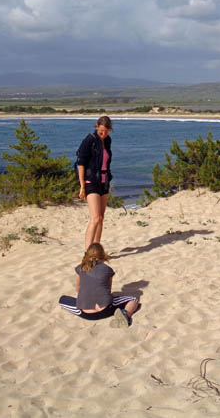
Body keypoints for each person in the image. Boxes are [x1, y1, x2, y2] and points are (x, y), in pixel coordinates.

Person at [58, 243, 139, 327]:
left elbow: (78, 289)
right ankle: (126, 314)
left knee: (62, 299)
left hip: (86, 313)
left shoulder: (80, 268)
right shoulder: (107, 270)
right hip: (105, 310)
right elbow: (108, 289)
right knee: (133, 299)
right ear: (102, 255)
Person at [76, 116, 113, 250]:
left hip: (104, 181)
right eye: (101, 131)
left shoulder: (108, 141)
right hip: (91, 181)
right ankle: (87, 252)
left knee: (101, 218)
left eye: (106, 131)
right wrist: (82, 187)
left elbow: (105, 160)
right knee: (95, 218)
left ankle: (97, 251)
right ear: (97, 126)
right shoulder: (89, 140)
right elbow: (81, 164)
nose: (104, 134)